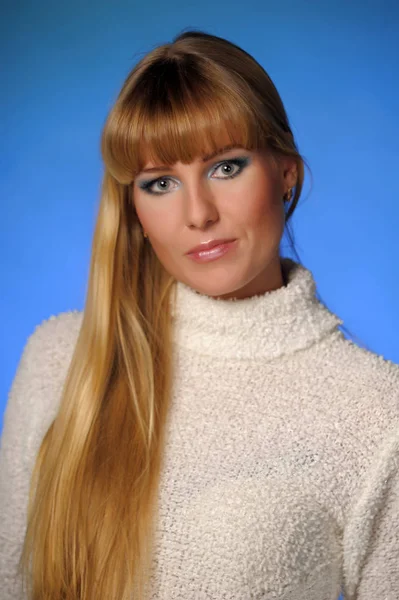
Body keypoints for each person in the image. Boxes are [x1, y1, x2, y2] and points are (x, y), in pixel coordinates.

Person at [0, 29, 398, 600]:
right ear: (134, 209)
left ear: (285, 172)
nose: (198, 213)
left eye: (226, 167)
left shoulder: (377, 414)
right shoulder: (61, 359)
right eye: (160, 183)